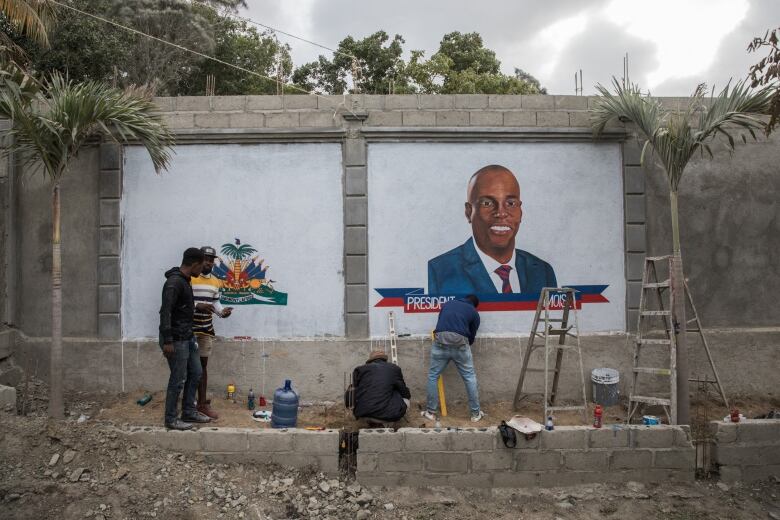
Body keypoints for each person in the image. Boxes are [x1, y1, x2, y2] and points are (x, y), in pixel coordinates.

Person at [428, 164, 556, 295]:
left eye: (511, 203)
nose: (501, 213)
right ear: (468, 212)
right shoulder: (439, 272)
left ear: (521, 212)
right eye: (487, 203)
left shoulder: (543, 272)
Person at [159, 247, 212, 430]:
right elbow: (165, 311)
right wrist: (167, 340)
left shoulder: (186, 281)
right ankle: (171, 419)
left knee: (196, 372)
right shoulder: (174, 282)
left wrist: (198, 307)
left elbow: (182, 308)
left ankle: (189, 411)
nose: (203, 268)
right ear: (195, 264)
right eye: (202, 264)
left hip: (188, 336)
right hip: (176, 339)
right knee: (178, 379)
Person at [423, 294, 484, 422]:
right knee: (469, 377)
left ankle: (430, 412)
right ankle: (475, 414)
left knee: (433, 375)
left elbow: (440, 323)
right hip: (460, 345)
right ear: (474, 304)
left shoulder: (448, 304)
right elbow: (471, 337)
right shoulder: (474, 313)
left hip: (440, 342)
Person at [191, 246, 233, 420]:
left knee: (202, 368)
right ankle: (189, 403)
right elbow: (183, 301)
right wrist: (196, 306)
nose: (208, 262)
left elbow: (216, 304)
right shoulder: (190, 279)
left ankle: (201, 403)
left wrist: (223, 312)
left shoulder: (216, 281)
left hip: (206, 329)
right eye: (205, 259)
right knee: (189, 368)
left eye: (211, 259)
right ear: (199, 261)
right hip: (189, 330)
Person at [351, 351, 411, 423]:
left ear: (370, 360)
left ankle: (370, 422)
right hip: (387, 416)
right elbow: (405, 393)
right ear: (384, 359)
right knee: (405, 400)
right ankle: (388, 424)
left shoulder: (359, 369)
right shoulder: (394, 368)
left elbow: (355, 391)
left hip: (362, 414)